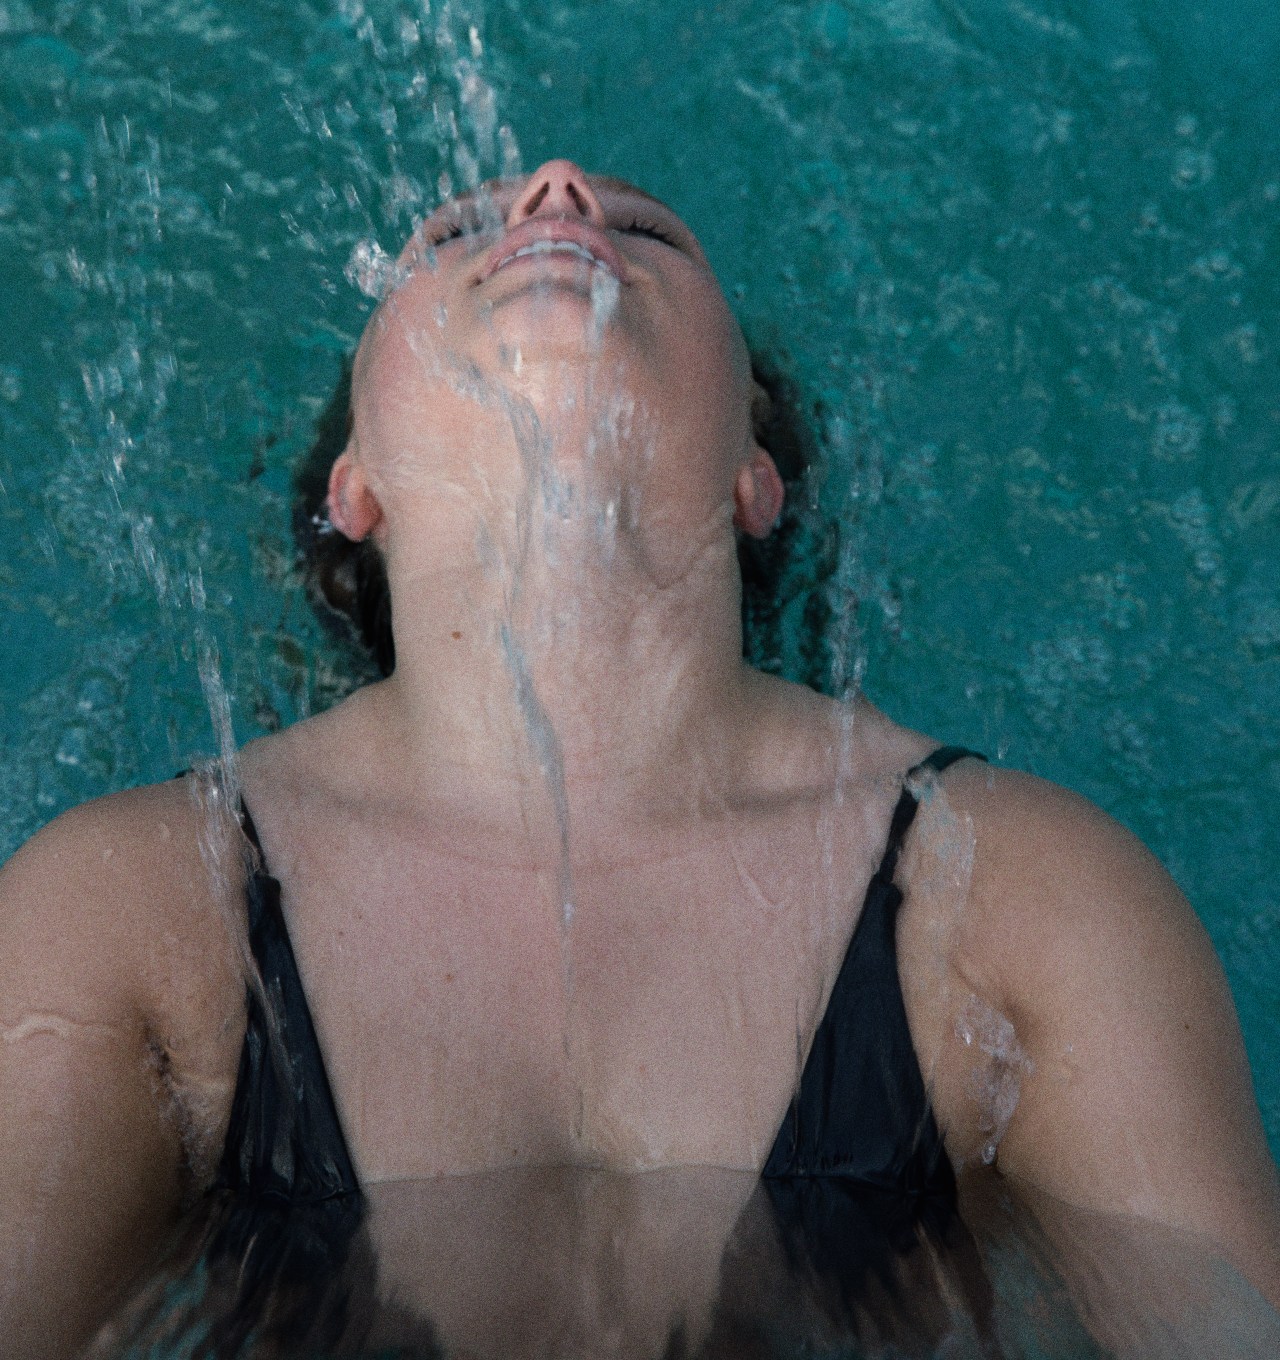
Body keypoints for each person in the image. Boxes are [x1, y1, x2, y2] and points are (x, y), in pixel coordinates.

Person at [2, 159, 1278, 1357]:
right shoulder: (136, 911)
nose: (553, 193)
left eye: (642, 228)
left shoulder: (1015, 896)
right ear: (355, 487)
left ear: (752, 471)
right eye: (456, 233)